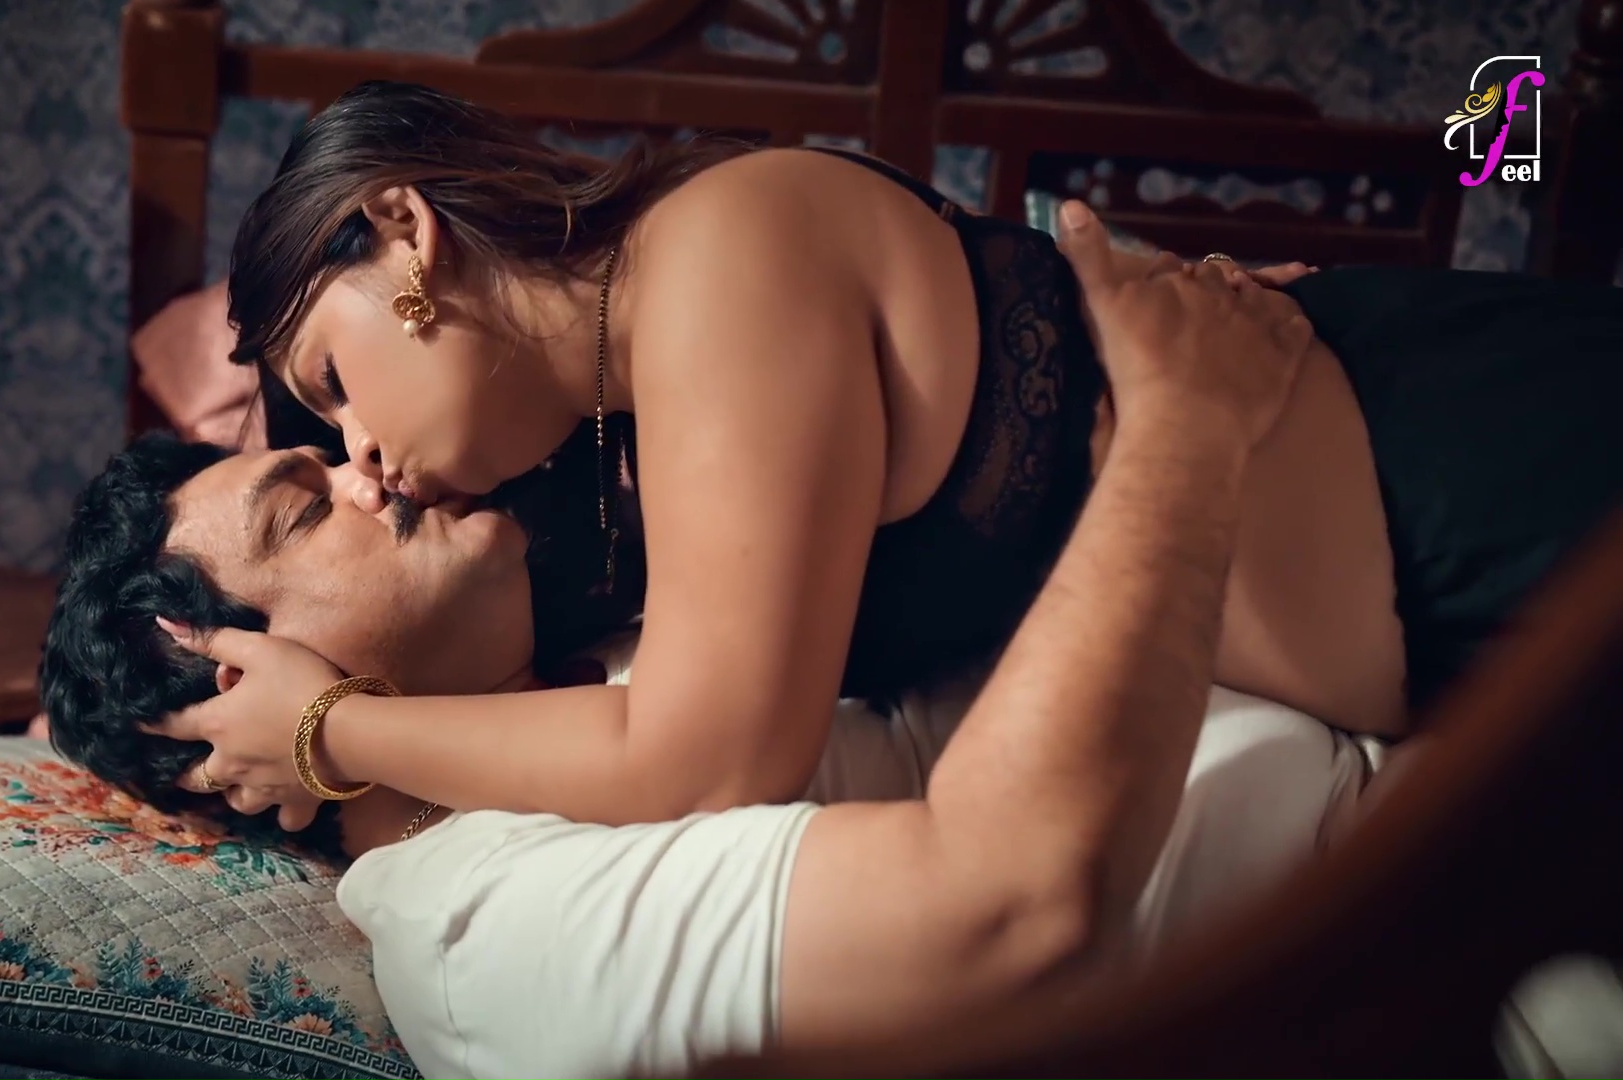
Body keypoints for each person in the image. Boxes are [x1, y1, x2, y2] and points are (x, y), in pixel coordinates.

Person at [160, 81, 1623, 836]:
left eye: (335, 382)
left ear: (405, 232)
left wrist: (332, 730)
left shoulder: (717, 262)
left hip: (1471, 474)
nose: (364, 451)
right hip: (1456, 642)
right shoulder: (626, 444)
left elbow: (715, 755)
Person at [40, 266, 1373, 1068]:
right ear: (240, 693)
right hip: (1418, 923)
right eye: (303, 509)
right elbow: (1014, 899)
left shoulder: (619, 654)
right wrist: (1186, 421)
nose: (365, 468)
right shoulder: (494, 931)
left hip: (1388, 713)